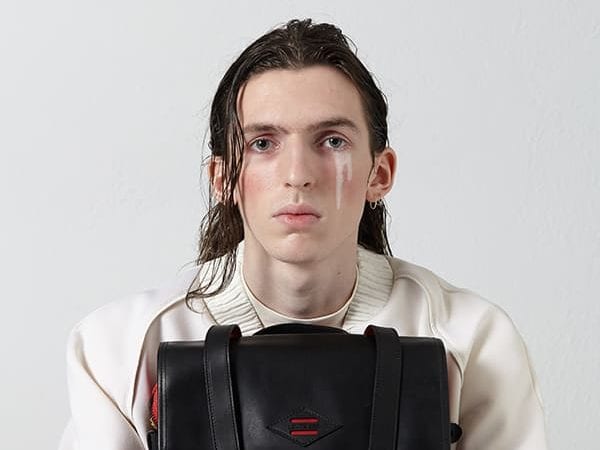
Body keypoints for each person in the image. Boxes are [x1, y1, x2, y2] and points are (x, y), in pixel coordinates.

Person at [59, 19, 548, 449]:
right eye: (263, 143)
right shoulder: (118, 347)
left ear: (379, 173)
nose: (297, 174)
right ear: (223, 178)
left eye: (332, 141)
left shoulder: (473, 339)